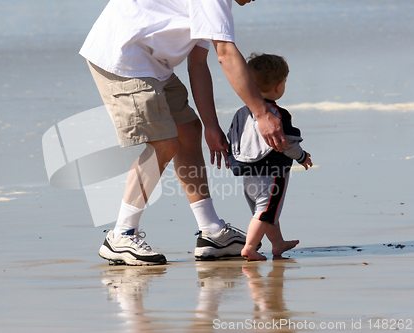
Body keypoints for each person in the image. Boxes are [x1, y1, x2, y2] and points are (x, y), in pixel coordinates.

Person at [80, 0, 288, 265]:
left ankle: (211, 231)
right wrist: (262, 113)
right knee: (164, 142)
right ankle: (121, 234)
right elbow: (225, 53)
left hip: (152, 62)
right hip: (122, 55)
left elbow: (198, 64)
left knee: (188, 130)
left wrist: (211, 126)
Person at [228, 53, 313, 261]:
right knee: (265, 213)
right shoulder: (276, 113)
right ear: (278, 87)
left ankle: (278, 243)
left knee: (266, 211)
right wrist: (301, 157)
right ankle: (249, 247)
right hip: (272, 174)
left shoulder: (241, 112)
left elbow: (233, 138)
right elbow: (287, 143)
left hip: (248, 175)